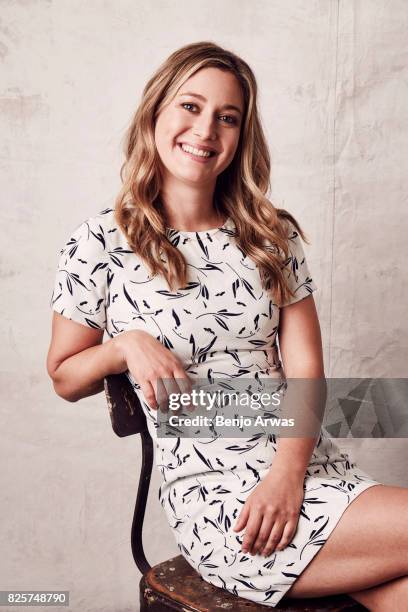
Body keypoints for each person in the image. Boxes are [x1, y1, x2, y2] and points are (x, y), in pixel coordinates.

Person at [47, 41, 408, 609]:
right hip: (221, 501)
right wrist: (125, 346)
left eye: (227, 117)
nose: (206, 129)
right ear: (155, 113)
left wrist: (288, 476)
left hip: (309, 470)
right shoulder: (99, 243)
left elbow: (307, 372)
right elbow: (64, 376)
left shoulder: (272, 236)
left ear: (242, 135)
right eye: (190, 106)